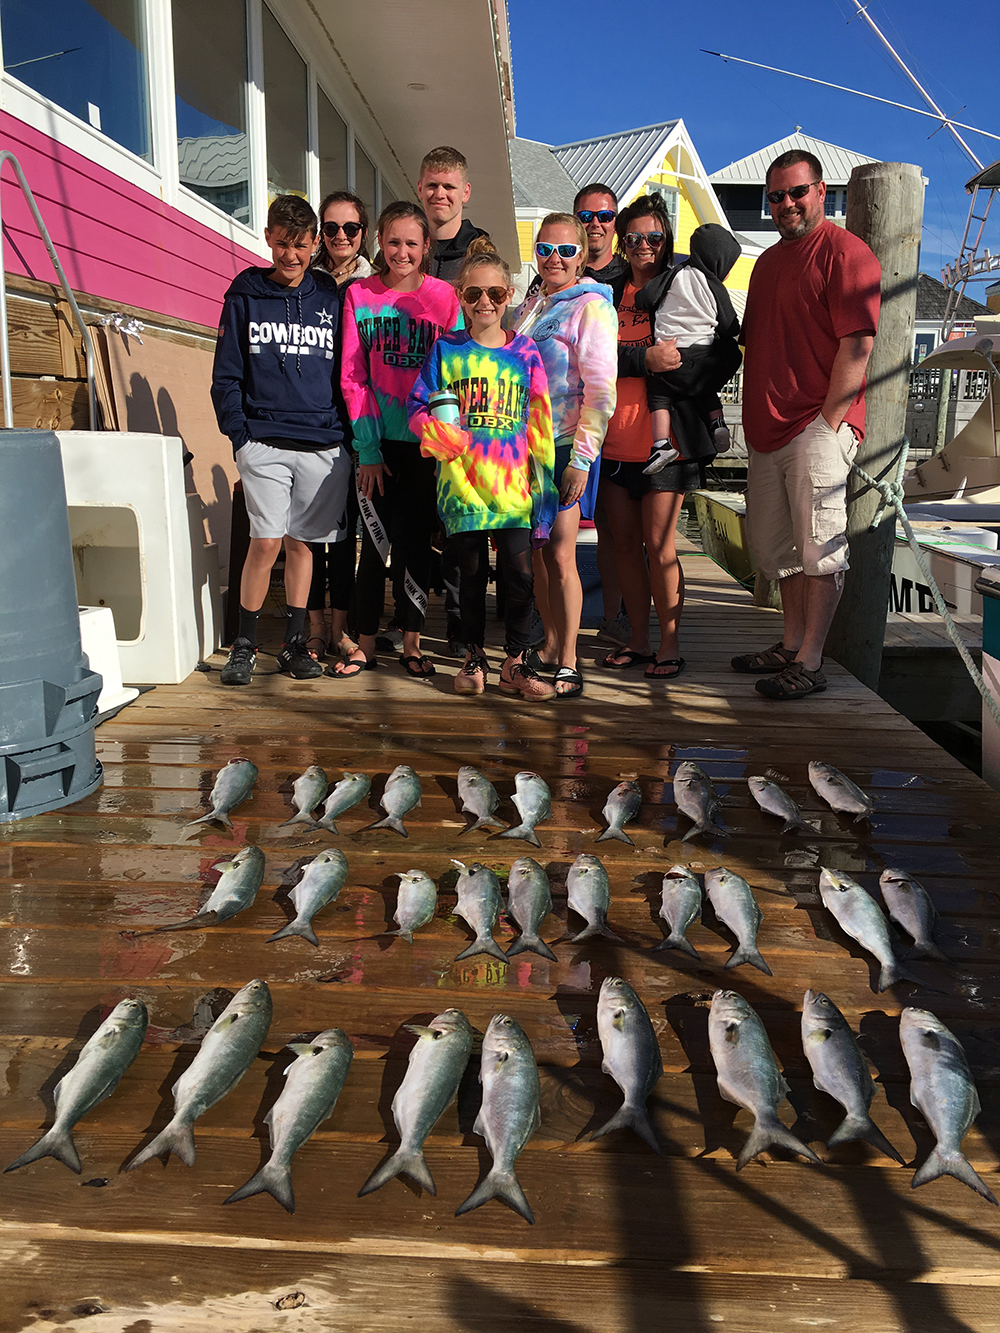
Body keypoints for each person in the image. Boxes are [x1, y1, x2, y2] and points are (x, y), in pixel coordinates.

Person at [733, 150, 880, 700]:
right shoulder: (767, 264)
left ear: (822, 191)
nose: (787, 204)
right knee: (778, 553)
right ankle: (791, 642)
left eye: (797, 192)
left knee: (820, 547)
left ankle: (812, 658)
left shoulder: (848, 253)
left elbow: (859, 345)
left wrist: (828, 422)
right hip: (767, 432)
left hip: (818, 426)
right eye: (776, 196)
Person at [408, 239, 558, 701]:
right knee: (469, 579)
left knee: (521, 578)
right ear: (461, 297)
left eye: (494, 293)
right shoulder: (445, 350)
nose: (485, 303)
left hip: (513, 490)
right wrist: (435, 432)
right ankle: (474, 656)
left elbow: (542, 428)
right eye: (474, 295)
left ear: (509, 294)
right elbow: (417, 407)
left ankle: (516, 660)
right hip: (462, 489)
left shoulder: (526, 352)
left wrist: (545, 496)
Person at [212, 194, 350, 686]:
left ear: (316, 244)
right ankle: (244, 645)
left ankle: (294, 643)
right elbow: (226, 374)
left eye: (302, 245)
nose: (292, 256)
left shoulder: (331, 297)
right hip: (263, 440)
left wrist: (347, 437)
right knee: (265, 541)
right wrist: (240, 436)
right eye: (283, 244)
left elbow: (346, 371)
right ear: (268, 238)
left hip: (322, 440)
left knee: (302, 544)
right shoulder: (245, 294)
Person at [338, 201, 462, 678]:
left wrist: (446, 445)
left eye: (412, 243)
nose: (402, 252)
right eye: (393, 242)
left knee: (413, 547)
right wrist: (367, 450)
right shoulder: (359, 296)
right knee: (373, 546)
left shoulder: (445, 298)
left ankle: (411, 642)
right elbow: (353, 377)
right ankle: (365, 644)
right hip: (377, 447)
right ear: (380, 244)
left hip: (426, 447)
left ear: (427, 247)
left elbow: (451, 376)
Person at [510, 213, 617, 697]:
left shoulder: (591, 307)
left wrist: (582, 459)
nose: (554, 258)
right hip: (523, 450)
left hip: (564, 445)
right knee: (535, 553)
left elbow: (600, 391)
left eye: (566, 250)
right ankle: (549, 646)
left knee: (561, 555)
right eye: (545, 248)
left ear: (583, 256)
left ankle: (571, 659)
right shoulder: (530, 306)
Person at [599, 194, 699, 681]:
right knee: (624, 548)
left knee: (660, 548)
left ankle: (670, 643)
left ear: (666, 241)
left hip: (665, 445)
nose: (643, 246)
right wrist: (642, 360)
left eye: (653, 237)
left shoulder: (680, 289)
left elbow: (702, 353)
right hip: (613, 442)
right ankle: (639, 641)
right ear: (622, 241)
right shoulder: (606, 294)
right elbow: (592, 359)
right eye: (634, 237)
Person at [417, 145, 492, 655]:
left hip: (467, 413)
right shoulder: (406, 247)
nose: (440, 194)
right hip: (416, 407)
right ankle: (420, 631)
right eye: (431, 185)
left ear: (463, 192)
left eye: (449, 186)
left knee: (464, 530)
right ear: (421, 190)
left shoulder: (478, 250)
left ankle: (468, 636)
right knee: (423, 526)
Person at [304, 190, 373, 670]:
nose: (341, 237)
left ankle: (341, 627)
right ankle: (311, 629)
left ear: (363, 233)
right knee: (309, 530)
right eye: (331, 229)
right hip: (312, 417)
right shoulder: (306, 282)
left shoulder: (373, 286)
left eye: (350, 228)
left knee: (347, 532)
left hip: (358, 422)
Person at [574, 183, 630, 648]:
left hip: (622, 426)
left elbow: (640, 353)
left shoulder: (631, 278)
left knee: (620, 532)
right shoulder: (551, 281)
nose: (596, 224)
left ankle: (619, 617)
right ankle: (570, 616)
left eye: (605, 216)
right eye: (586, 216)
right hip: (561, 430)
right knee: (566, 526)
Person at [640, 222, 742, 475]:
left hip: (669, 356)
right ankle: (717, 422)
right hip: (701, 358)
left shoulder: (675, 273)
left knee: (658, 395)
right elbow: (730, 325)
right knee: (705, 386)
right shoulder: (714, 285)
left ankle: (662, 444)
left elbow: (645, 298)